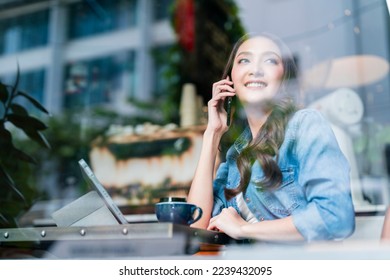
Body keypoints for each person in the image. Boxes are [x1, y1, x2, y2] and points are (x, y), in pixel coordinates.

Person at [187, 33, 355, 242]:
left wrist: (243, 229)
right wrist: (212, 134)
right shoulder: (236, 154)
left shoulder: (304, 125)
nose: (255, 69)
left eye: (269, 60)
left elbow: (336, 217)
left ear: (284, 78)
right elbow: (195, 225)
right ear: (230, 81)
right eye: (244, 60)